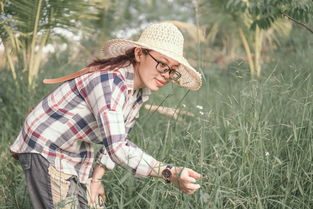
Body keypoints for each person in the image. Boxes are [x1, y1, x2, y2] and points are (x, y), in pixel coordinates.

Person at [10, 22, 202, 209]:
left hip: (74, 151)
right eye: (162, 64)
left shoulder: (138, 92)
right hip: (47, 147)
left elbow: (118, 138)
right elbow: (118, 148)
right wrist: (169, 172)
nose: (166, 75)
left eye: (172, 70)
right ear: (139, 54)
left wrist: (96, 180)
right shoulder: (110, 83)